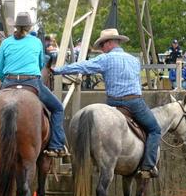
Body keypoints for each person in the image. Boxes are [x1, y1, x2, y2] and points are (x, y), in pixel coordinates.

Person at [53, 28, 161, 179]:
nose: (102, 49)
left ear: (110, 43)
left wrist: (58, 70)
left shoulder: (105, 59)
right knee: (155, 129)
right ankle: (148, 166)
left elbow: (83, 66)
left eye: (103, 45)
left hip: (114, 103)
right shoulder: (134, 60)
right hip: (134, 102)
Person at [0, 12, 68, 158]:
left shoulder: (6, 43)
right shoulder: (36, 42)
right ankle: (56, 145)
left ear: (15, 26)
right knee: (58, 108)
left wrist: (8, 79)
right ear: (29, 27)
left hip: (9, 82)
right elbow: (41, 64)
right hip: (31, 82)